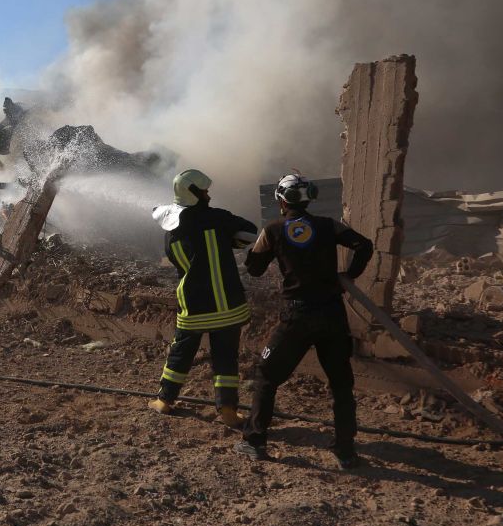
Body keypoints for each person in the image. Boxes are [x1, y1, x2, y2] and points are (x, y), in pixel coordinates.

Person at [235, 173, 373, 469]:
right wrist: (348, 276)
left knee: (266, 376)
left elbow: (254, 269)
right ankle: (346, 452)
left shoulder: (273, 229)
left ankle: (254, 441)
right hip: (332, 314)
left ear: (281, 200)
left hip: (296, 317)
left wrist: (255, 251)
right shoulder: (328, 225)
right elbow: (364, 245)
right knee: (340, 384)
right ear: (308, 197)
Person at [148, 169, 258, 428]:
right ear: (195, 193)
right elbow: (250, 234)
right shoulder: (220, 219)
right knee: (226, 357)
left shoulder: (171, 229)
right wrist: (228, 241)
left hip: (195, 305)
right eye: (205, 191)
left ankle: (165, 401)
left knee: (181, 352)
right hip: (229, 305)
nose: (209, 194)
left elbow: (180, 261)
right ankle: (229, 411)